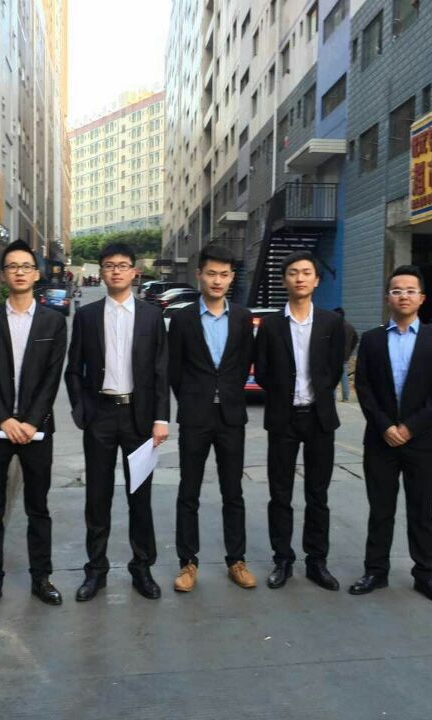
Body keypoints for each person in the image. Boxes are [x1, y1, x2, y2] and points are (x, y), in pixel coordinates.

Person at [0, 240, 68, 614]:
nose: (20, 272)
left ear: (37, 274)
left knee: (38, 507)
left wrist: (29, 421)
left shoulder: (53, 322)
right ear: (3, 274)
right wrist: (5, 419)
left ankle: (42, 577)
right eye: (13, 266)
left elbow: (51, 378)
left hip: (36, 430)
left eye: (26, 266)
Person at [65, 242, 170, 601]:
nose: (116, 271)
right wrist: (81, 411)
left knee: (140, 497)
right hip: (100, 416)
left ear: (134, 272)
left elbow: (161, 370)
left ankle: (142, 568)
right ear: (102, 271)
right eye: (109, 265)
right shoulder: (87, 316)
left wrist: (161, 418)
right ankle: (96, 570)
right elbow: (73, 370)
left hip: (139, 418)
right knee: (97, 497)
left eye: (123, 265)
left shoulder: (151, 316)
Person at [351, 265, 432, 604]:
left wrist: (410, 427)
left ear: (422, 298)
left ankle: (426, 574)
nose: (403, 296)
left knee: (421, 509)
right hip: (380, 440)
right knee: (380, 509)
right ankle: (375, 571)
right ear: (388, 298)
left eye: (410, 291)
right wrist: (385, 426)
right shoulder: (372, 339)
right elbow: (364, 387)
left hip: (421, 441)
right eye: (396, 291)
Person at [254, 251, 345, 591]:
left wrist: (318, 392)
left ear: (316, 280)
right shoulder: (271, 325)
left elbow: (334, 369)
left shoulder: (331, 323)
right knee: (280, 494)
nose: (300, 278)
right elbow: (262, 371)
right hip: (284, 419)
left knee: (317, 494)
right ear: (285, 280)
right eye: (293, 272)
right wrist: (282, 394)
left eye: (307, 272)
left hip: (319, 418)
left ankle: (317, 561)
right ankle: (283, 559)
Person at [168, 244, 256, 593]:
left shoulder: (242, 318)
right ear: (199, 275)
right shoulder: (183, 319)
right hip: (195, 417)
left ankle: (237, 560)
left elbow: (243, 363)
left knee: (233, 492)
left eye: (224, 274)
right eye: (211, 274)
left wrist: (227, 394)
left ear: (232, 278)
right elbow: (174, 370)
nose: (217, 280)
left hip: (231, 417)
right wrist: (193, 399)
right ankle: (187, 563)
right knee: (188, 491)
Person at [334, 307, 359, 402]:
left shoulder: (335, 327)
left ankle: (333, 396)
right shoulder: (350, 327)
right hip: (345, 356)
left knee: (333, 376)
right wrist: (350, 351)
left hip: (335, 356)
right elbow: (355, 339)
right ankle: (346, 397)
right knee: (344, 376)